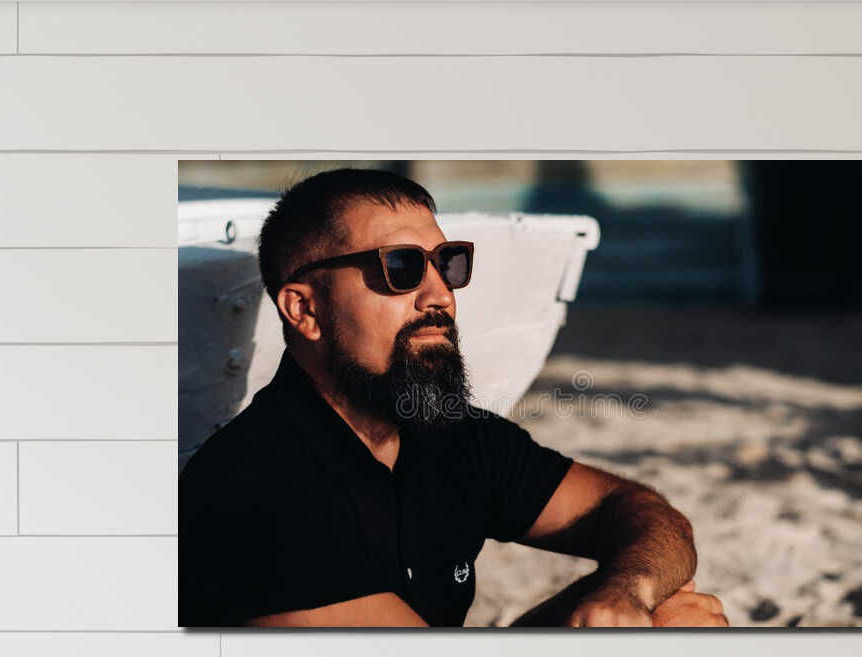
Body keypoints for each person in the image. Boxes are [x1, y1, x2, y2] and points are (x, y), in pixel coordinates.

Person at [178, 167, 728, 629]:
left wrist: (629, 593)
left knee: (666, 610)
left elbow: (641, 512)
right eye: (400, 267)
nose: (440, 294)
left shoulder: (448, 436)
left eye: (447, 262)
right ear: (305, 310)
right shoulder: (257, 493)